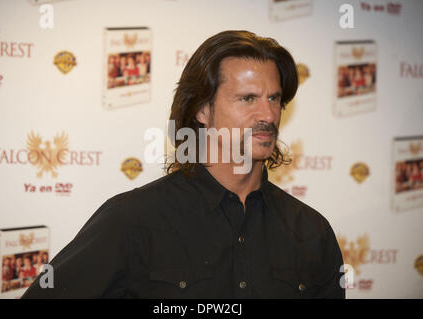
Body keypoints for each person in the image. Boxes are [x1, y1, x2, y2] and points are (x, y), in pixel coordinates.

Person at [22, 30, 345, 299]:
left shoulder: (311, 232)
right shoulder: (133, 220)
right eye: (247, 98)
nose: (267, 115)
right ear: (202, 111)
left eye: (274, 98)